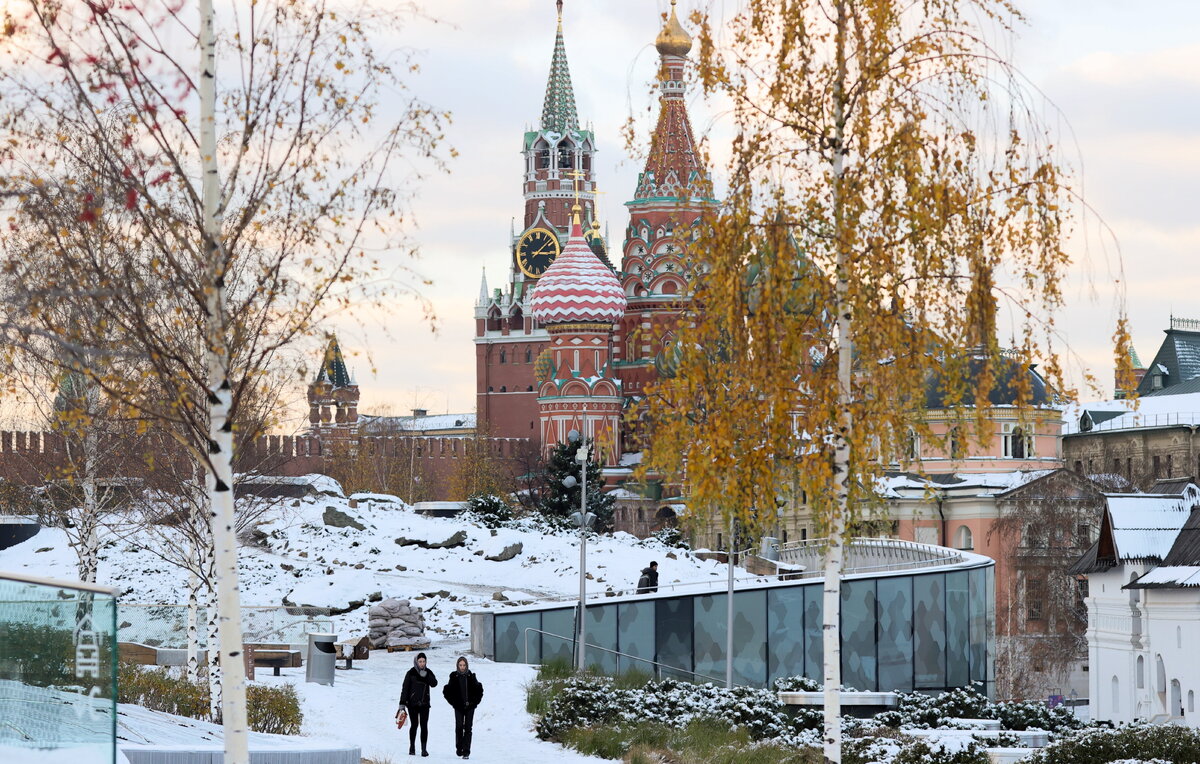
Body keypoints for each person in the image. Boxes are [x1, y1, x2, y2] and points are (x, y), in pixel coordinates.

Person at [442, 655, 484, 759]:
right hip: (458, 707)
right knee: (459, 726)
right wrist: (453, 702)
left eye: (464, 665)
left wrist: (474, 702)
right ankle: (459, 747)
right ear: (457, 665)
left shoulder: (471, 676)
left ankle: (466, 751)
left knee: (468, 728)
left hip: (470, 707)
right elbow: (447, 691)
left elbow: (479, 690)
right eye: (460, 665)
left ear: (467, 665)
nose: (462, 667)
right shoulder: (453, 676)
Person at [399, 652, 439, 757]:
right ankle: (412, 747)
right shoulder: (411, 673)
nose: (422, 664)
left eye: (423, 661)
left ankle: (424, 749)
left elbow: (434, 683)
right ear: (416, 661)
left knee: (424, 726)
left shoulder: (428, 672)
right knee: (414, 725)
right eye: (420, 661)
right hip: (412, 704)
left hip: (425, 704)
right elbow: (405, 689)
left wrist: (426, 676)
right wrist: (402, 704)